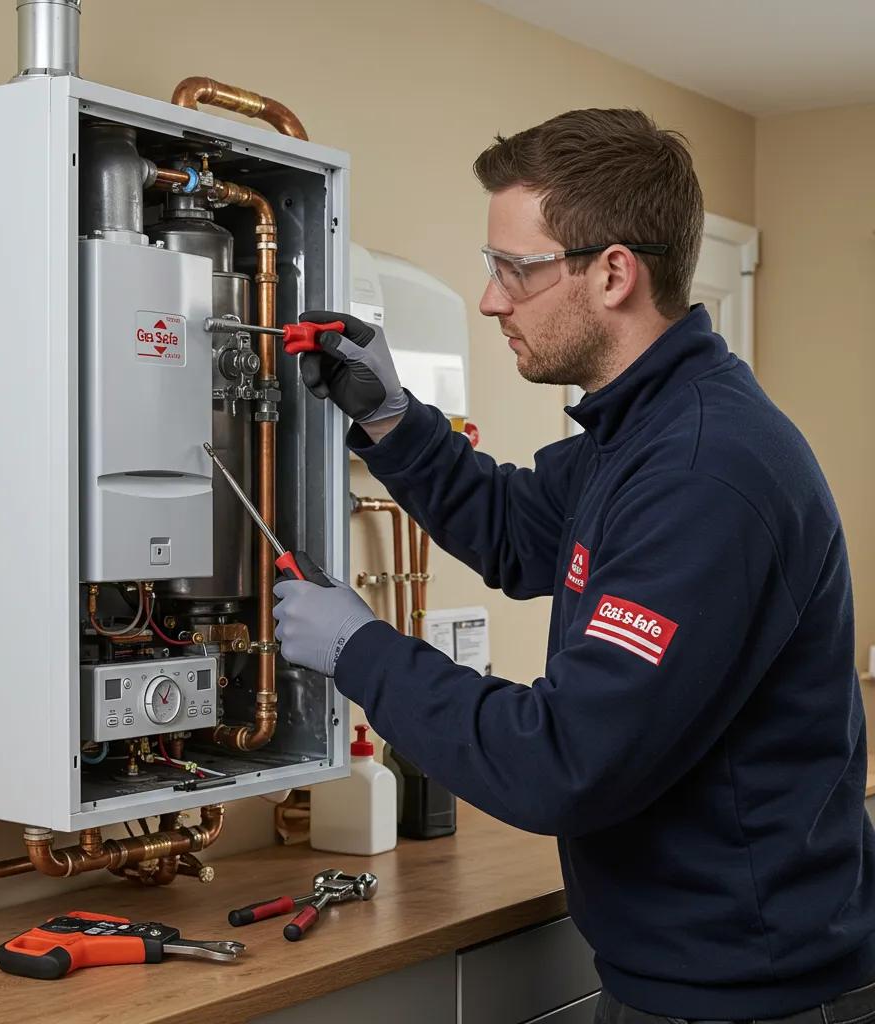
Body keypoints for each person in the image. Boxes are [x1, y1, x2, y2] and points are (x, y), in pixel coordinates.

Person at [272, 108, 875, 1024]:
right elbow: (520, 531)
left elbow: (566, 761)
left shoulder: (704, 470)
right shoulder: (641, 426)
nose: (492, 299)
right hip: (680, 976)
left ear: (613, 272)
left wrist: (362, 649)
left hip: (752, 1000)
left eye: (517, 268)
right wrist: (394, 417)